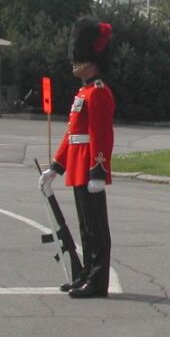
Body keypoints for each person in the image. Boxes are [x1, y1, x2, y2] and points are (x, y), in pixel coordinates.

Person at [39, 17, 115, 299]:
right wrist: (56, 167)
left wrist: (98, 170)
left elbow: (101, 135)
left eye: (80, 59)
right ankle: (86, 274)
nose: (74, 64)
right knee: (85, 226)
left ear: (93, 61)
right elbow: (72, 135)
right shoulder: (83, 92)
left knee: (96, 227)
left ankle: (98, 280)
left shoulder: (98, 93)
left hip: (89, 167)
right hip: (79, 166)